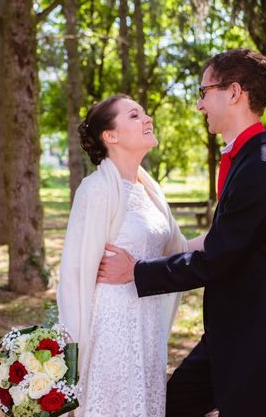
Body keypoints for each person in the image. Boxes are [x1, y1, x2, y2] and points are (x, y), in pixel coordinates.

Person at [98, 49, 266, 417]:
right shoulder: (245, 160)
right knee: (168, 406)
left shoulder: (261, 168)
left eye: (205, 91)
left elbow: (218, 259)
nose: (199, 104)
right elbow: (224, 239)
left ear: (235, 92)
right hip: (228, 334)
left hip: (256, 343)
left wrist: (136, 272)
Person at [57, 95, 200, 417]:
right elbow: (74, 275)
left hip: (148, 323)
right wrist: (70, 354)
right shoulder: (96, 190)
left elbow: (178, 249)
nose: (148, 118)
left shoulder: (149, 190)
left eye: (145, 113)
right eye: (135, 115)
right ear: (111, 136)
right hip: (111, 327)